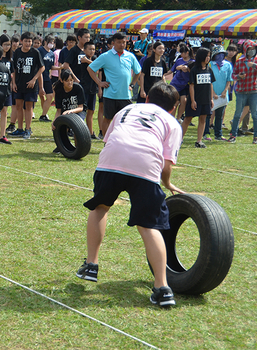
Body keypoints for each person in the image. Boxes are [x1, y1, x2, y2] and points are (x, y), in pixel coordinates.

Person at [77, 81, 183, 307]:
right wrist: (168, 183)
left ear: (146, 99)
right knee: (148, 226)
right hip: (144, 167)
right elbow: (166, 165)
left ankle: (91, 265)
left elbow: (110, 139)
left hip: (111, 160)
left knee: (101, 207)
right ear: (173, 108)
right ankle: (162, 288)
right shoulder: (172, 123)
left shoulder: (126, 109)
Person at [87, 32, 141, 136]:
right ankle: (107, 142)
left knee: (127, 120)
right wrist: (99, 82)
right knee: (107, 119)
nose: (122, 45)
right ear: (113, 43)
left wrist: (132, 84)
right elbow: (90, 68)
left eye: (124, 42)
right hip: (110, 95)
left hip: (125, 95)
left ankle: (123, 141)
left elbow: (138, 71)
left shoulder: (130, 56)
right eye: (119, 42)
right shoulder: (106, 56)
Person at [229, 40, 257, 144]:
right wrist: (238, 76)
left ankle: (256, 137)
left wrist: (254, 66)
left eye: (254, 49)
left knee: (255, 114)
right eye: (250, 49)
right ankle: (233, 135)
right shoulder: (240, 61)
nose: (252, 51)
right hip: (241, 90)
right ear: (245, 50)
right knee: (237, 114)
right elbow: (233, 75)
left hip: (254, 90)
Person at [10, 32, 45, 139]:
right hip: (19, 84)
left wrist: (34, 80)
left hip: (31, 86)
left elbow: (42, 67)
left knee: (29, 107)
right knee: (19, 106)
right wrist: (14, 83)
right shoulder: (17, 53)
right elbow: (14, 69)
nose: (28, 43)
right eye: (26, 41)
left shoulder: (35, 52)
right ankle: (20, 129)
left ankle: (28, 129)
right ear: (21, 41)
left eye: (30, 41)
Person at [181, 48, 215, 148]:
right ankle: (179, 139)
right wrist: (192, 100)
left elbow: (211, 84)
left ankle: (199, 141)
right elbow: (191, 85)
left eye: (209, 56)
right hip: (196, 99)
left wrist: (211, 99)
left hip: (206, 99)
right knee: (188, 119)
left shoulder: (209, 69)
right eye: (206, 56)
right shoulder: (194, 70)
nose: (208, 58)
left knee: (203, 118)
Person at [52, 69, 86, 154]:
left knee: (77, 128)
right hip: (65, 113)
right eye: (67, 81)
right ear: (62, 81)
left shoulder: (78, 88)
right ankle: (62, 146)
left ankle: (78, 148)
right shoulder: (59, 91)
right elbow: (59, 110)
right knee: (59, 126)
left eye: (71, 80)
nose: (70, 83)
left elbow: (81, 107)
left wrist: (71, 111)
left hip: (78, 112)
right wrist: (54, 121)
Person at [207, 45, 233, 141]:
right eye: (218, 54)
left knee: (220, 115)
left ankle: (218, 134)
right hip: (211, 94)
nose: (220, 56)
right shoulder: (210, 65)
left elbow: (229, 79)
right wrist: (212, 93)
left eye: (222, 54)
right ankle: (206, 133)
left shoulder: (228, 65)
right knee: (208, 114)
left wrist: (225, 90)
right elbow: (209, 80)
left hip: (222, 95)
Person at [168, 43, 194, 123]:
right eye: (181, 52)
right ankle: (171, 118)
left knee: (184, 101)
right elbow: (173, 69)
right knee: (175, 102)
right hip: (176, 84)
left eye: (183, 52)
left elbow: (193, 71)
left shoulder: (192, 61)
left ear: (187, 52)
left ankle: (179, 118)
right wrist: (179, 67)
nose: (181, 54)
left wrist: (188, 69)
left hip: (185, 85)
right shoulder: (179, 60)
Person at [0, 33, 14, 144]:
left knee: (4, 112)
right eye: (5, 44)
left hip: (6, 89)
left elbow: (13, 73)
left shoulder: (9, 59)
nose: (7, 47)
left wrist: (13, 84)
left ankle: (2, 135)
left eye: (9, 45)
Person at [37, 35, 55, 122]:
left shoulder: (52, 53)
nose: (51, 44)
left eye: (53, 42)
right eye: (50, 42)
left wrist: (59, 68)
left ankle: (43, 115)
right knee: (39, 96)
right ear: (45, 42)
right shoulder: (40, 51)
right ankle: (29, 113)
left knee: (50, 95)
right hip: (38, 76)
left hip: (47, 77)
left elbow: (51, 66)